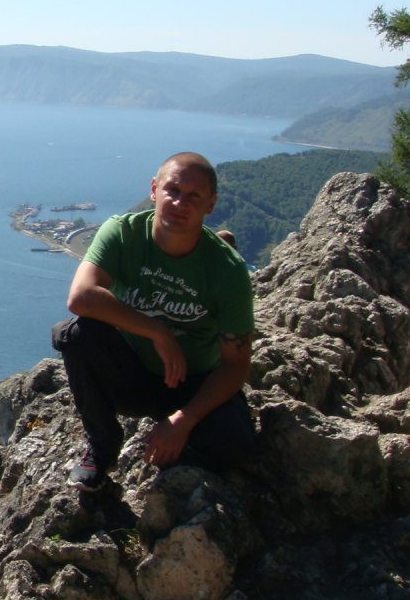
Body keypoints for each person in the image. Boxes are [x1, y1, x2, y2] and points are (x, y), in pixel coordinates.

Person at [51, 152, 256, 492]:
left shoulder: (229, 272)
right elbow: (80, 297)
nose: (179, 202)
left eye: (194, 196)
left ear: (211, 204)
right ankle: (102, 447)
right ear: (154, 189)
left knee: (237, 445)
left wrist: (183, 421)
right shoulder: (123, 233)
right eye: (172, 190)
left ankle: (175, 455)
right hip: (132, 375)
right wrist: (158, 332)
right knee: (74, 334)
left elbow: (236, 364)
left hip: (192, 382)